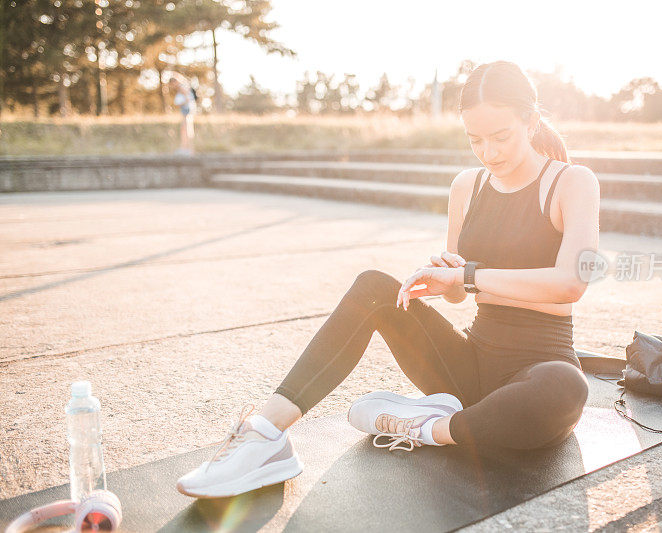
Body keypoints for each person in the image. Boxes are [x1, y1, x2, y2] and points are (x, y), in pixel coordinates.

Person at [176, 60, 601, 498]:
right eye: (475, 140)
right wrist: (446, 282)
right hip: (468, 371)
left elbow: (571, 283)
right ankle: (264, 434)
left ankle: (427, 427)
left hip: (538, 371)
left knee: (567, 388)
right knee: (372, 287)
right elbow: (460, 295)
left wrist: (468, 275)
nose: (489, 153)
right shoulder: (467, 186)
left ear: (530, 120)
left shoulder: (571, 183)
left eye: (501, 137)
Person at [167, 74, 196, 155]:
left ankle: (188, 149)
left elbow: (188, 99)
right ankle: (185, 148)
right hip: (186, 109)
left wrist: (179, 103)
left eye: (172, 84)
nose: (172, 86)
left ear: (175, 82)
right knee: (184, 129)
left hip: (186, 109)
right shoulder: (182, 87)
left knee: (186, 130)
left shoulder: (181, 87)